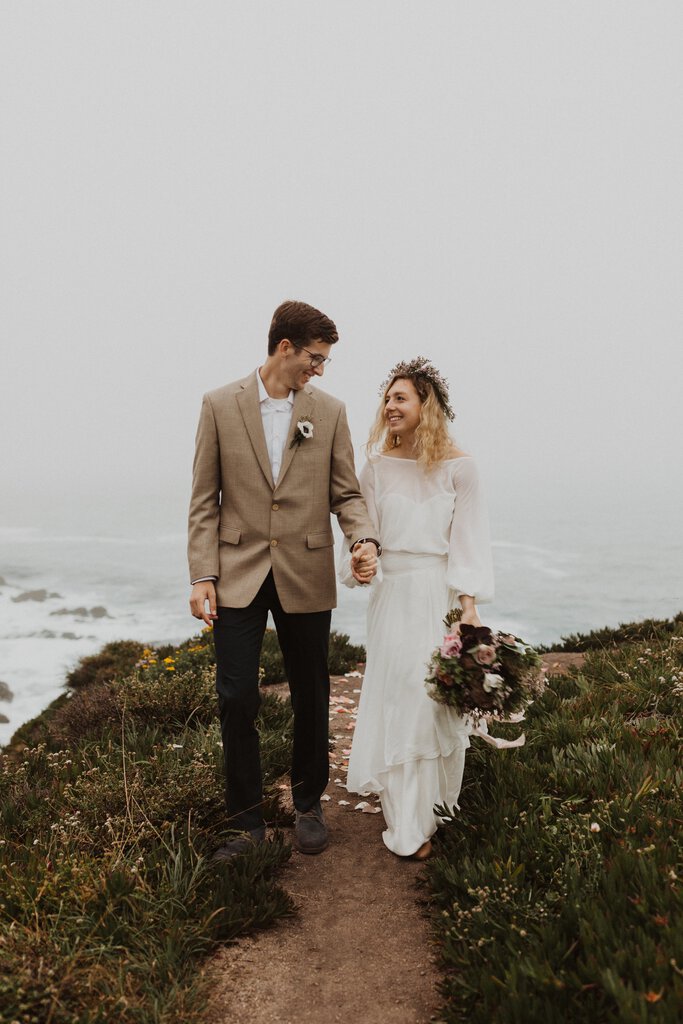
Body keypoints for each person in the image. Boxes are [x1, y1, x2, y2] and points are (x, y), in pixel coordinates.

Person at [188, 300, 380, 859]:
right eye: (314, 359)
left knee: (311, 691)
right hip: (238, 572)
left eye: (324, 362)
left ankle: (308, 803)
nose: (319, 370)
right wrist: (203, 573)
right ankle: (244, 820)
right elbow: (204, 500)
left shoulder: (332, 410)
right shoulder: (219, 404)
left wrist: (362, 539)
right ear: (284, 348)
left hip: (306, 568)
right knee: (236, 693)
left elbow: (346, 492)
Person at [343, 356, 494, 861]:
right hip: (392, 594)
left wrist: (469, 611)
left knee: (430, 703)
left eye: (400, 397)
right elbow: (363, 533)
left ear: (425, 406)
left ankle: (433, 809)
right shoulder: (376, 465)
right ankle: (408, 824)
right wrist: (362, 559)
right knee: (399, 699)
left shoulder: (461, 467)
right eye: (386, 397)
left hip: (438, 595)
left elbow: (468, 543)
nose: (389, 405)